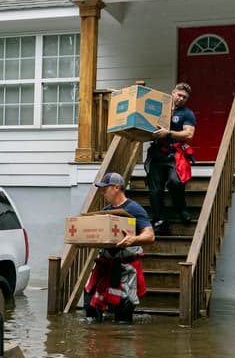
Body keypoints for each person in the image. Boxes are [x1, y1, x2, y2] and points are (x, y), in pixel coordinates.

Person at [83, 172, 156, 323]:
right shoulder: (107, 211)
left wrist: (133, 239)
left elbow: (150, 236)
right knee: (90, 309)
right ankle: (93, 344)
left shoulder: (134, 209)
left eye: (105, 188)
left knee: (123, 314)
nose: (102, 192)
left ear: (116, 187)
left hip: (125, 268)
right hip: (105, 265)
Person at [146, 82, 197, 235]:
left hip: (174, 155)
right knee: (154, 190)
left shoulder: (187, 114)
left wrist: (168, 133)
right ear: (173, 92)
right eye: (179, 95)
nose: (181, 98)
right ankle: (160, 220)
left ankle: (181, 207)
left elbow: (189, 134)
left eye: (185, 97)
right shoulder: (159, 109)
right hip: (156, 153)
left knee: (176, 182)